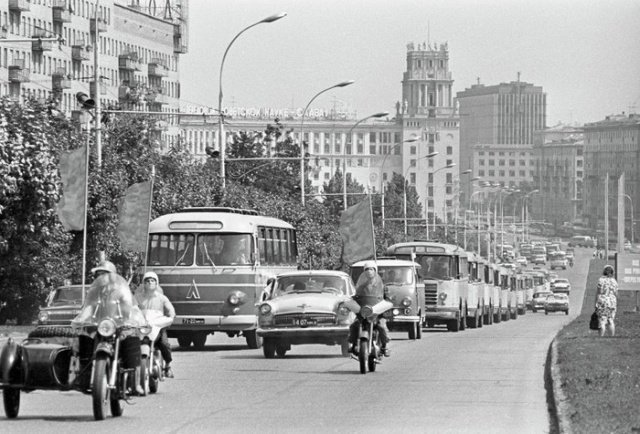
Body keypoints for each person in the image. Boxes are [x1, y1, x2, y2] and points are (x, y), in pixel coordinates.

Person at [72, 260, 145, 395]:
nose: (101, 277)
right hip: (100, 326)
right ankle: (84, 378)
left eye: (104, 274)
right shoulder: (95, 292)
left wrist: (134, 319)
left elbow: (131, 307)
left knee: (132, 339)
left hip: (119, 325)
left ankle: (134, 383)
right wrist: (81, 319)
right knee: (84, 337)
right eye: (99, 274)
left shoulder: (121, 290)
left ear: (112, 276)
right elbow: (89, 307)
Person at [136, 271, 176, 378]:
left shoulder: (162, 298)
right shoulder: (137, 297)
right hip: (142, 327)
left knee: (164, 343)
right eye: (147, 281)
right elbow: (131, 308)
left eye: (152, 280)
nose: (150, 283)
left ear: (156, 283)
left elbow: (170, 309)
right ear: (143, 283)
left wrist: (171, 316)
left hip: (157, 326)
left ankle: (168, 365)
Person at [348, 261, 391, 356]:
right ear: (364, 272)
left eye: (371, 269)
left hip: (377, 314)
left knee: (382, 326)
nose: (369, 271)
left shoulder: (382, 286)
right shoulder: (361, 286)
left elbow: (387, 299)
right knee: (354, 325)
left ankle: (384, 346)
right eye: (367, 269)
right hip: (364, 312)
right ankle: (353, 343)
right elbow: (357, 296)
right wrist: (352, 300)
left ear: (375, 271)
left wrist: (387, 302)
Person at [595, 265, 618, 337]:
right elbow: (616, 293)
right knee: (611, 320)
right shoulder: (614, 281)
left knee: (602, 320)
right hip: (612, 302)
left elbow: (599, 292)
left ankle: (601, 336)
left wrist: (595, 303)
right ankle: (611, 336)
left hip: (602, 302)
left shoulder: (601, 280)